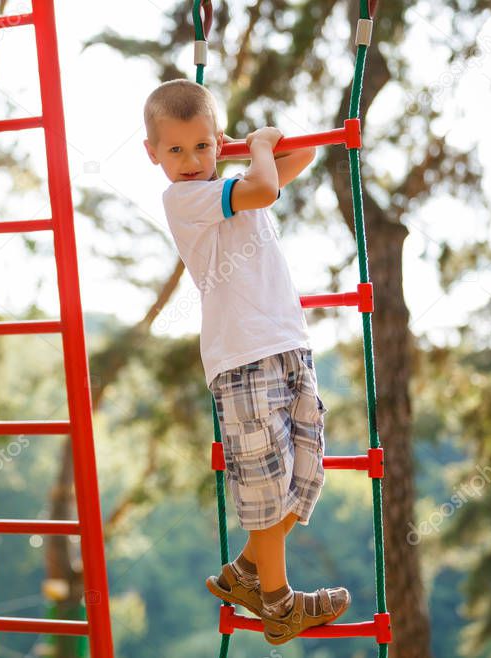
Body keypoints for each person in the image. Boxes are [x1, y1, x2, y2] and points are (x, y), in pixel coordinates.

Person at [143, 79, 351, 645]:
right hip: (241, 357)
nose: (190, 162)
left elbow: (303, 152)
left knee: (303, 473)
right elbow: (264, 187)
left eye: (201, 147)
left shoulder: (230, 177)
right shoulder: (186, 199)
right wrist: (251, 150)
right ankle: (279, 605)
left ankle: (246, 573)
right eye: (175, 151)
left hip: (287, 342)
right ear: (153, 154)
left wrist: (239, 144)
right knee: (263, 479)